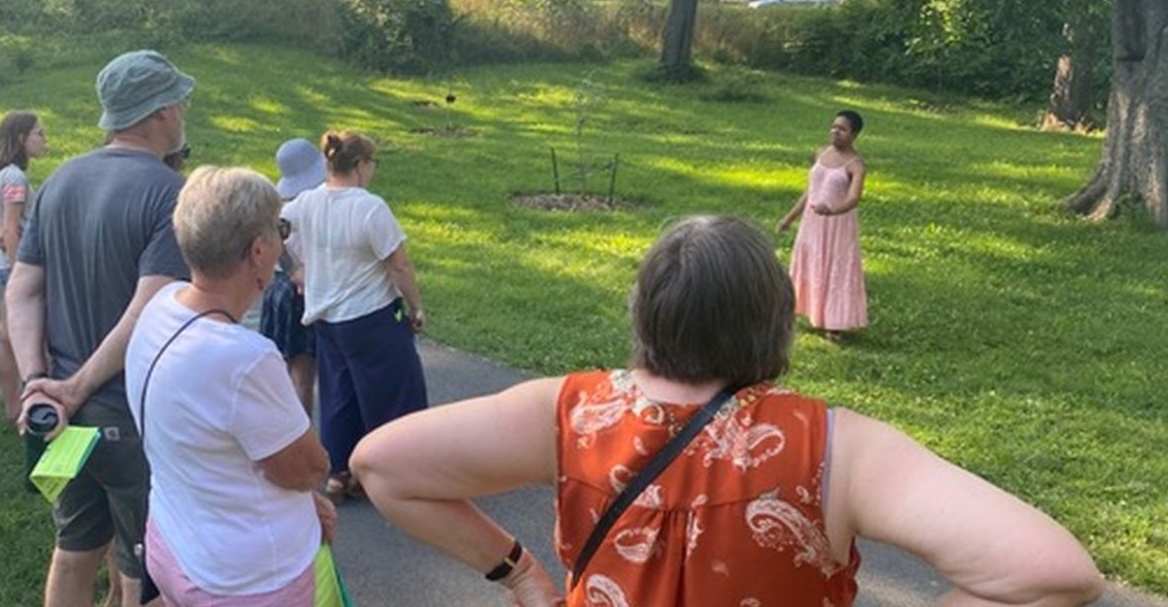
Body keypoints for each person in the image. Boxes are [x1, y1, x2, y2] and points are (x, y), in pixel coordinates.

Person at [352, 216, 1107, 606]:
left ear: (645, 310)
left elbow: (383, 465)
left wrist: (520, 577)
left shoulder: (573, 412)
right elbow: (1051, 572)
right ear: (775, 321)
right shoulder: (833, 448)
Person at [7, 50, 193, 607]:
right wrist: (78, 385)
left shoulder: (61, 180)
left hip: (63, 414)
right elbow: (147, 307)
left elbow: (22, 288)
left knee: (74, 550)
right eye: (180, 102)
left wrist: (38, 382)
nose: (183, 113)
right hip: (130, 412)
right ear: (161, 111)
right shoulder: (171, 193)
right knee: (144, 570)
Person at [127, 166, 337, 607]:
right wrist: (306, 495)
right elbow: (307, 469)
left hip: (173, 541)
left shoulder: (160, 305)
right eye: (281, 230)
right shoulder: (244, 358)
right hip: (245, 579)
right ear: (258, 251)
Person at [282, 130, 427, 501]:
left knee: (339, 393)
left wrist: (294, 269)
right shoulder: (369, 208)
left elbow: (272, 227)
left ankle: (339, 471)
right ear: (360, 165)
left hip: (328, 318)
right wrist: (415, 306)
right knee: (392, 392)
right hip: (371, 314)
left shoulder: (307, 202)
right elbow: (398, 264)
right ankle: (392, 470)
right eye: (372, 163)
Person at [778, 110, 869, 340]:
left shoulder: (856, 165)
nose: (836, 132)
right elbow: (811, 191)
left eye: (842, 129)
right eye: (834, 127)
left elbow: (854, 198)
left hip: (838, 225)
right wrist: (789, 218)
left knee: (834, 267)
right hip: (812, 223)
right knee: (810, 262)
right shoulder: (820, 153)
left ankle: (835, 322)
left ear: (854, 135)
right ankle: (803, 309)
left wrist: (834, 210)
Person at [0, 111, 47, 422]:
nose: (44, 140)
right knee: (23, 338)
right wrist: (16, 272)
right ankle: (20, 404)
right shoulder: (15, 178)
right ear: (22, 138)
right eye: (39, 133)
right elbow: (11, 228)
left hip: (7, 262)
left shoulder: (1, 174)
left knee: (8, 337)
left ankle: (13, 405)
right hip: (18, 264)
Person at [260, 138, 326, 415]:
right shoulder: (305, 208)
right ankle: (301, 432)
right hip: (298, 292)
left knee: (283, 374)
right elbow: (276, 239)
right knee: (303, 377)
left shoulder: (282, 207)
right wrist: (296, 270)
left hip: (278, 290)